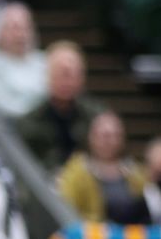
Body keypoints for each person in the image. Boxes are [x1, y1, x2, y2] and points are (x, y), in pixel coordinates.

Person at [16, 43, 106, 172]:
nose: (67, 81)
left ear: (82, 77)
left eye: (73, 74)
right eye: (62, 73)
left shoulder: (97, 119)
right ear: (47, 75)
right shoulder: (28, 123)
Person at [58, 111, 147, 223]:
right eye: (105, 136)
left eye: (116, 135)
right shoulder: (76, 172)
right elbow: (66, 206)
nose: (111, 141)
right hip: (91, 235)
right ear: (91, 137)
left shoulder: (135, 171)